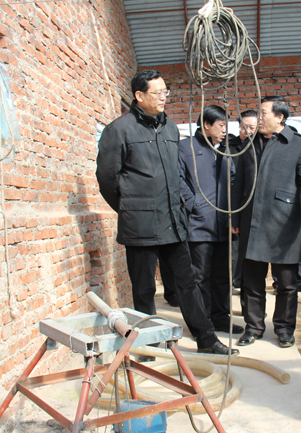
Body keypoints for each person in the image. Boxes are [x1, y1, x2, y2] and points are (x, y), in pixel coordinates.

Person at [96, 69, 238, 356]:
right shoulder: (118, 129)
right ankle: (149, 346)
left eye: (165, 92)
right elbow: (107, 179)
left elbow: (175, 174)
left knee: (188, 283)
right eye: (157, 93)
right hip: (140, 224)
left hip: (173, 221)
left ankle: (206, 339)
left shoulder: (170, 128)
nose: (163, 98)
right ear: (139, 96)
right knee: (144, 289)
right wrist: (131, 209)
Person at [232, 95, 301, 348]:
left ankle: (285, 329)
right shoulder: (249, 144)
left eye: (264, 113)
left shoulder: (298, 144)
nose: (259, 118)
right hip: (252, 220)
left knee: (287, 284)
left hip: (284, 221)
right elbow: (239, 183)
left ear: (280, 117)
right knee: (251, 281)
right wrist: (234, 216)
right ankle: (253, 327)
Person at [178, 105, 244, 335]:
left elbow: (233, 180)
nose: (225, 130)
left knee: (222, 276)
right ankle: (203, 322)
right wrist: (194, 203)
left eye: (226, 125)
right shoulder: (185, 148)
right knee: (200, 276)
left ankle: (221, 318)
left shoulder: (226, 150)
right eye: (221, 125)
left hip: (224, 224)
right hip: (199, 224)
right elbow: (178, 180)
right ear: (206, 125)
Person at [228, 109, 258, 295]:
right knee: (234, 248)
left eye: (251, 127)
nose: (247, 131)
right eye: (243, 127)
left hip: (253, 207)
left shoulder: (261, 148)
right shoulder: (229, 147)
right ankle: (233, 282)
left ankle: (243, 283)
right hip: (232, 205)